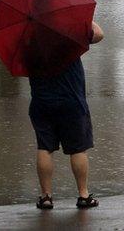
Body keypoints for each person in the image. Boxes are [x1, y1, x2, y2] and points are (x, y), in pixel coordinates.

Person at [28, 20, 104, 210]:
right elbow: (99, 34)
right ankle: (83, 195)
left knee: (45, 147)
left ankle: (46, 197)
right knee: (78, 149)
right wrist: (83, 18)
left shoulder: (28, 40)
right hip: (71, 101)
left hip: (41, 101)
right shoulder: (69, 33)